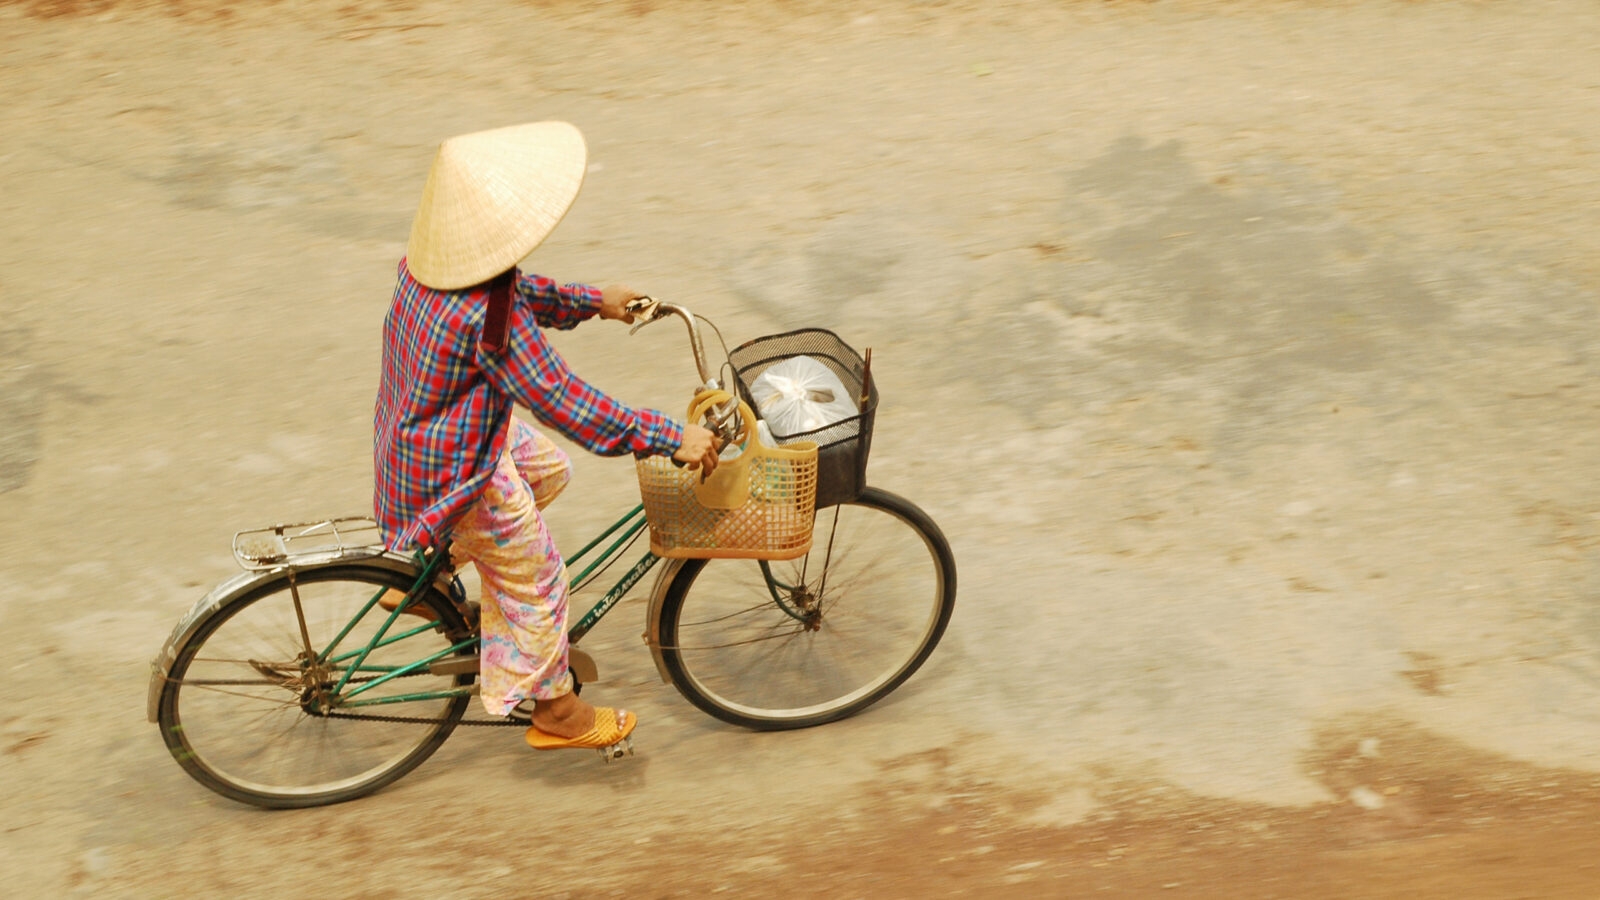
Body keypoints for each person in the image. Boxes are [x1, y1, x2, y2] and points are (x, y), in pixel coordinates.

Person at [372, 121, 718, 751]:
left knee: (549, 469)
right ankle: (555, 709)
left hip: (421, 445)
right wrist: (668, 435)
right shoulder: (487, 319)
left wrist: (595, 301)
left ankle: (425, 574)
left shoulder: (428, 269)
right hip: (458, 475)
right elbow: (565, 401)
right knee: (539, 579)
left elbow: (521, 292)